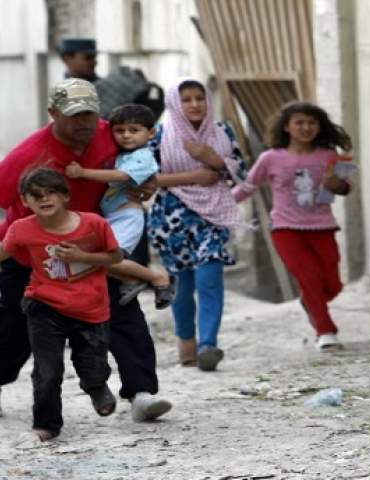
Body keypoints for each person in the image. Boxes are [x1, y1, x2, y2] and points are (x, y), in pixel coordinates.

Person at [0, 78, 172, 423]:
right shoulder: (26, 156)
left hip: (94, 244)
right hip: (33, 254)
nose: (84, 123)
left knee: (122, 312)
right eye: (74, 116)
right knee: (16, 328)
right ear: (53, 114)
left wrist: (148, 182)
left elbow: (143, 158)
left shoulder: (114, 133)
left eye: (89, 114)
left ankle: (141, 393)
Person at [0, 168, 123, 441]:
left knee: (93, 363)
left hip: (91, 307)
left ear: (65, 196)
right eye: (36, 195)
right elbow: (5, 252)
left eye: (51, 192)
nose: (44, 199)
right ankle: (46, 423)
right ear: (25, 202)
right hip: (43, 303)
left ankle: (95, 384)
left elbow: (115, 257)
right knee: (47, 368)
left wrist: (82, 256)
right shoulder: (21, 229)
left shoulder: (94, 224)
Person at [232, 101, 353, 351]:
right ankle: (326, 331)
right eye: (299, 122)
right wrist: (218, 204)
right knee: (308, 276)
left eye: (311, 122)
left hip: (323, 226)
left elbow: (345, 187)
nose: (306, 127)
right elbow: (248, 186)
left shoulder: (329, 157)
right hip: (286, 228)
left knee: (333, 283)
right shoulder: (270, 158)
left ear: (319, 127)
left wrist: (335, 185)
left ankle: (311, 301)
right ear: (287, 127)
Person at [147, 78, 246, 371]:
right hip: (171, 219)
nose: (194, 105)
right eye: (187, 99)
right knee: (182, 285)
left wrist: (210, 157)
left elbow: (239, 170)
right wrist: (195, 177)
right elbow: (145, 179)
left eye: (199, 98)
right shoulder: (160, 136)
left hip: (212, 216)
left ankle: (208, 346)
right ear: (176, 103)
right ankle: (186, 342)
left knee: (210, 276)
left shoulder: (222, 131)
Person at [65, 103, 175, 309]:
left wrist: (83, 173)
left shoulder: (143, 156)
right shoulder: (121, 154)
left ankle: (158, 278)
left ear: (151, 133)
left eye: (134, 130)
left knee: (106, 259)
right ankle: (131, 280)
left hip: (127, 217)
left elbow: (122, 176)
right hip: (112, 216)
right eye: (120, 131)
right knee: (94, 260)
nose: (126, 136)